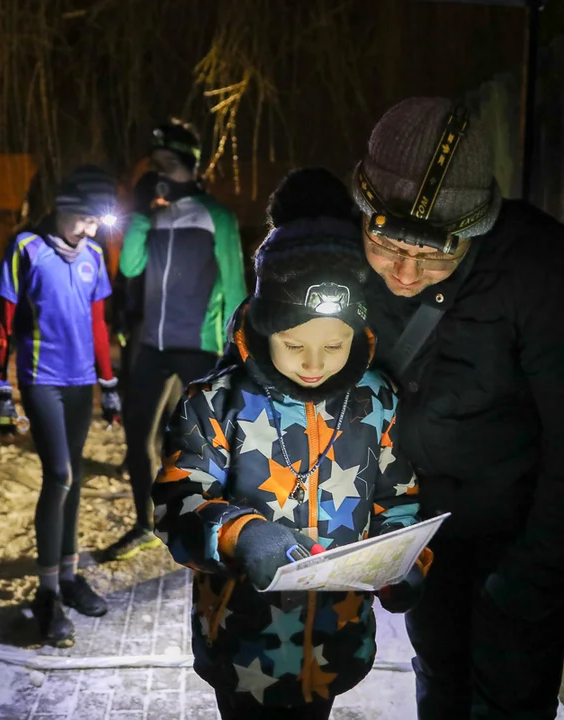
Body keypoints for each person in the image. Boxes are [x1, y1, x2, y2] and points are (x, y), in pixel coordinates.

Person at [349, 98, 564, 719]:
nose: (406, 273)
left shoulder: (541, 266)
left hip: (516, 537)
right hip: (419, 533)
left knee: (511, 701)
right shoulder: (343, 257)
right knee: (439, 683)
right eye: (389, 245)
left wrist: (536, 577)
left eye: (436, 256)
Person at [152, 168, 430, 720]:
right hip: (242, 638)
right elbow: (176, 503)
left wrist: (408, 559)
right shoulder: (217, 400)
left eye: (334, 344)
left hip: (333, 640)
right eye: (293, 343)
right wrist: (241, 535)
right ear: (262, 323)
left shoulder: (375, 400)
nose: (313, 363)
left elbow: (399, 498)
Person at [0, 165, 122, 646]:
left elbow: (99, 324)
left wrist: (108, 384)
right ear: (65, 209)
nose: (89, 231)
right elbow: (2, 323)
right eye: (84, 220)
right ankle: (47, 593)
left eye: (95, 224)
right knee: (59, 474)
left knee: (76, 476)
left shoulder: (92, 256)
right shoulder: (27, 249)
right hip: (41, 378)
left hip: (81, 382)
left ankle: (67, 576)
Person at [104, 119, 246, 561]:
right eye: (155, 165)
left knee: (210, 441)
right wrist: (142, 215)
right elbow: (129, 268)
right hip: (152, 344)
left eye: (168, 163)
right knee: (137, 438)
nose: (159, 171)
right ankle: (145, 525)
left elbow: (237, 285)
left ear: (189, 165)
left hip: (198, 344)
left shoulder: (215, 215)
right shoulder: (154, 214)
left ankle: (224, 523)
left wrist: (237, 349)